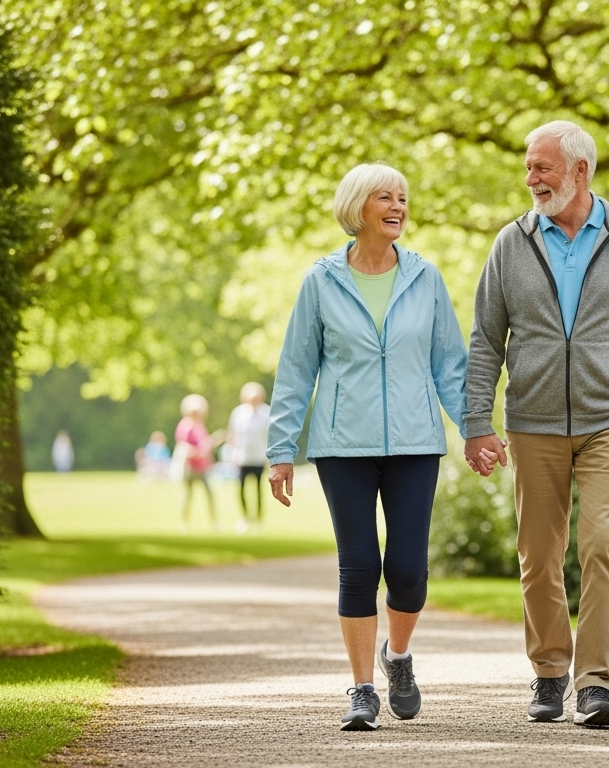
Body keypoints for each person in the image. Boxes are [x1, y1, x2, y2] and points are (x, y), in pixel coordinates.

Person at [463, 120, 609, 728]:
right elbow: (485, 339)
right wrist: (477, 421)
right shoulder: (512, 242)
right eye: (529, 168)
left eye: (542, 168)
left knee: (606, 544)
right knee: (539, 553)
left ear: (580, 171)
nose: (531, 179)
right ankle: (550, 670)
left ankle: (595, 685)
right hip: (532, 422)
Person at [266, 163, 476, 732]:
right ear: (359, 207)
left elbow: (450, 365)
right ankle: (361, 690)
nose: (398, 207)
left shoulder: (426, 278)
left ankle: (398, 658)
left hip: (414, 442)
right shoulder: (321, 281)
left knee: (407, 570)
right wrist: (281, 449)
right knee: (359, 567)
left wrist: (474, 427)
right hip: (342, 445)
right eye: (385, 197)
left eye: (403, 198)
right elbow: (295, 370)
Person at [227, 382, 271, 533]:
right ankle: (245, 518)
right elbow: (232, 435)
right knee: (241, 489)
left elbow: (271, 436)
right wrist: (231, 454)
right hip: (242, 458)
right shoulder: (238, 413)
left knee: (259, 490)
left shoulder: (266, 413)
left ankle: (258, 518)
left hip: (259, 457)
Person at [175, 394, 220, 530]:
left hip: (203, 467)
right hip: (190, 467)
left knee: (210, 495)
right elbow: (184, 446)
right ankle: (184, 522)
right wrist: (198, 452)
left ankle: (215, 523)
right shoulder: (185, 426)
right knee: (188, 495)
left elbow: (204, 444)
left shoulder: (200, 425)